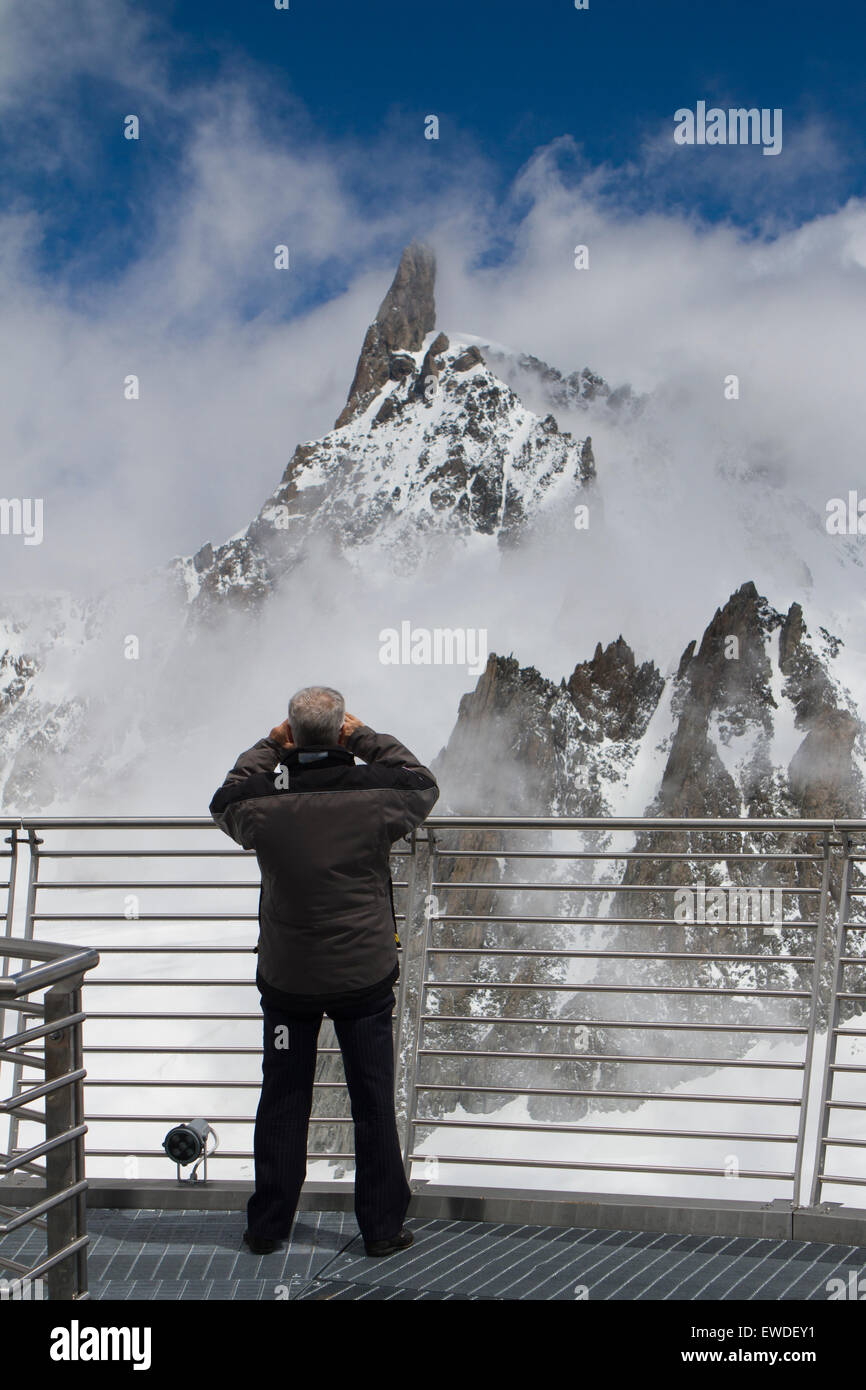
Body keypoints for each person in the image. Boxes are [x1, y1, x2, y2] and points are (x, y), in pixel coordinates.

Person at [209, 686, 439, 1258]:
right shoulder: (376, 794)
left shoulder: (261, 802)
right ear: (340, 733)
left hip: (289, 982)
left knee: (284, 1099)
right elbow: (422, 783)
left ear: (291, 733)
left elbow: (224, 799)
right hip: (363, 978)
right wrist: (362, 737)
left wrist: (270, 744)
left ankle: (269, 1225)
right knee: (371, 1099)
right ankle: (382, 1229)